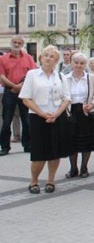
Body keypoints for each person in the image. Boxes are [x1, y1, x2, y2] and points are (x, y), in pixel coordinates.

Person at [19, 45, 71, 194]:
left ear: (57, 60)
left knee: (55, 151)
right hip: (37, 117)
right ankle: (34, 181)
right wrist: (42, 114)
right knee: (39, 152)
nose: (48, 58)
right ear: (40, 58)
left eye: (52, 56)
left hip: (57, 117)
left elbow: (67, 98)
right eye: (46, 55)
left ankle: (51, 180)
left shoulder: (61, 76)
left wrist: (56, 114)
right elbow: (25, 98)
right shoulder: (32, 74)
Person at [64, 53, 94, 179]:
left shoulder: (91, 78)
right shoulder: (65, 78)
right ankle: (73, 168)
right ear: (71, 63)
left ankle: (84, 167)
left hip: (85, 112)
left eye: (81, 63)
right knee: (71, 141)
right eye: (76, 62)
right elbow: (61, 95)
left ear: (85, 65)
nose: (78, 65)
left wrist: (92, 104)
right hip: (71, 111)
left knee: (87, 142)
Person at [0, 35, 37, 156]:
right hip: (9, 92)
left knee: (26, 120)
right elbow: (2, 76)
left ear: (22, 45)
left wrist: (20, 86)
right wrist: (14, 87)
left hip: (25, 92)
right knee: (6, 120)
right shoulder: (3, 59)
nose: (16, 44)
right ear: (11, 43)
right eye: (14, 42)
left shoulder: (28, 58)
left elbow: (33, 74)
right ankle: (5, 147)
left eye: (19, 43)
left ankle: (28, 145)